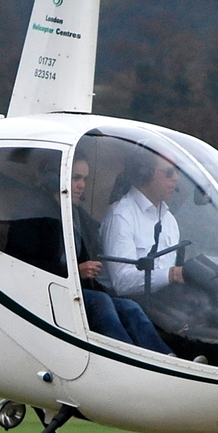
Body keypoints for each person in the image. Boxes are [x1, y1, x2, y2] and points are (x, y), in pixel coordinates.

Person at [71, 155, 171, 354]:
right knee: (102, 301)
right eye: (75, 178)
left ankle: (167, 356)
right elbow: (29, 264)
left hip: (80, 290)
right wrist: (75, 271)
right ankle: (128, 358)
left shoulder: (80, 217)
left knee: (130, 308)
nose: (81, 185)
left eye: (84, 180)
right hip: (58, 288)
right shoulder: (39, 216)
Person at [101, 149, 185, 297]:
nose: (176, 178)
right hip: (134, 305)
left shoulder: (169, 219)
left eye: (176, 171)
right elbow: (122, 282)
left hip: (166, 302)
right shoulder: (121, 216)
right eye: (169, 172)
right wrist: (172, 275)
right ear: (145, 174)